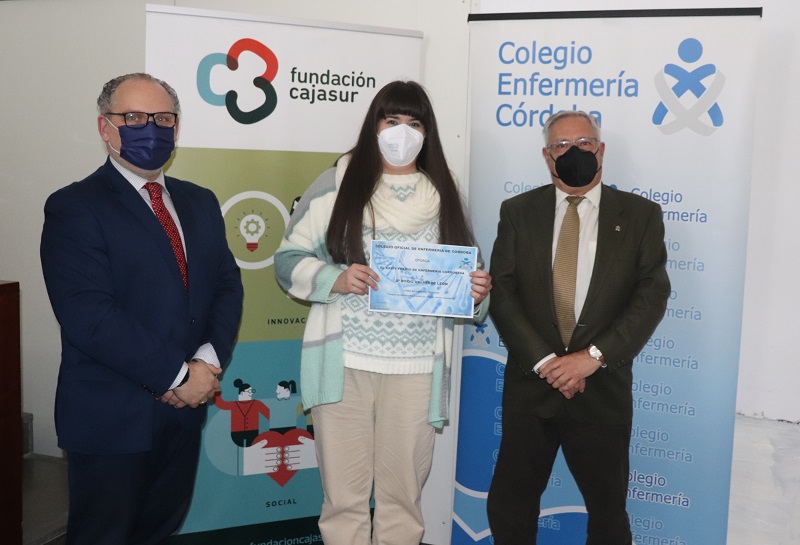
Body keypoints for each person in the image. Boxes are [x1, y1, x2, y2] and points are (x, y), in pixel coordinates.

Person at [274, 80, 492, 545]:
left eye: (414, 123)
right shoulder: (337, 183)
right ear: (374, 125)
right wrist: (335, 278)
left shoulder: (444, 193)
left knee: (402, 500)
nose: (402, 132)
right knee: (343, 500)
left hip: (416, 371)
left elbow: (470, 280)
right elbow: (287, 260)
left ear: (427, 133)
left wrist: (476, 293)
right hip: (343, 365)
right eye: (392, 120)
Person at [40, 73, 243, 545]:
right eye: (133, 117)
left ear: (177, 127)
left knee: (160, 532)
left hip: (183, 416)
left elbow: (226, 286)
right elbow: (89, 316)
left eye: (163, 118)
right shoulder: (74, 206)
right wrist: (177, 376)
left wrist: (205, 364)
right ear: (104, 127)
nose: (150, 128)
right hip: (113, 419)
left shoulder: (200, 201)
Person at [486, 110, 670, 544]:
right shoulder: (518, 212)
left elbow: (651, 296)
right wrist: (547, 363)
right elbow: (502, 291)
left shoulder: (641, 215)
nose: (574, 152)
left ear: (601, 150)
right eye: (562, 145)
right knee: (510, 506)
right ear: (547, 156)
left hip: (601, 389)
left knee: (608, 515)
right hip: (531, 386)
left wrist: (591, 358)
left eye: (584, 143)